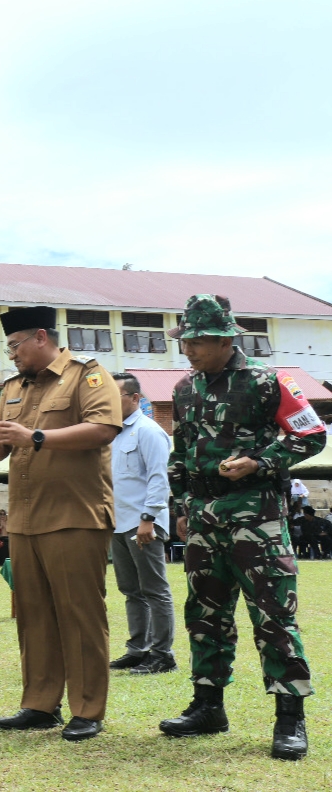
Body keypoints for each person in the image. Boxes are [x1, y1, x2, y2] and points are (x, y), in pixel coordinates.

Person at [159, 294, 325, 761]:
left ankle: (290, 717)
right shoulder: (185, 388)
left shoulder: (269, 381)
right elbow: (181, 450)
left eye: (194, 342)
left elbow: (311, 434)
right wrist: (183, 501)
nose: (186, 350)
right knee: (205, 614)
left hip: (258, 516)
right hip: (204, 516)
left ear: (223, 339)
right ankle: (207, 706)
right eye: (184, 341)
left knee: (274, 613)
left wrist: (260, 461)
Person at [0, 305, 121, 742]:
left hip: (74, 515)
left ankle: (87, 709)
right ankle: (40, 704)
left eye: (16, 345)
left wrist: (34, 436)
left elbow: (104, 429)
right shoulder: (12, 388)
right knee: (34, 616)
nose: (12, 355)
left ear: (41, 337)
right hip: (25, 518)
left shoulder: (88, 375)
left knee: (79, 614)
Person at [108, 373, 177, 676]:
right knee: (131, 590)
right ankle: (138, 650)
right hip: (118, 523)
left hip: (142, 523)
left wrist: (148, 519)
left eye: (116, 396)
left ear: (135, 399)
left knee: (154, 590)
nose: (108, 402)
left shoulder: (149, 431)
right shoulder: (113, 434)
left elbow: (158, 479)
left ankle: (163, 654)